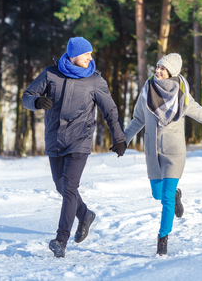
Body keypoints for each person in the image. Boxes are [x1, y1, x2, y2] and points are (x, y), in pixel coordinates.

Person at [124, 53, 202, 256]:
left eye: (162, 68)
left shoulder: (182, 95)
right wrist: (124, 140)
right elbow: (138, 119)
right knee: (158, 194)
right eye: (157, 67)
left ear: (172, 72)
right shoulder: (147, 90)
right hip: (152, 152)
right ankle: (176, 195)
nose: (157, 71)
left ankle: (162, 241)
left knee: (165, 199)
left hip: (174, 152)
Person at [22, 37, 127, 258]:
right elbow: (27, 96)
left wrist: (119, 138)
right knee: (61, 187)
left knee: (69, 187)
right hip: (54, 139)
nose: (90, 57)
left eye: (91, 54)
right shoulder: (51, 74)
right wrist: (37, 102)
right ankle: (85, 214)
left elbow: (110, 110)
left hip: (80, 140)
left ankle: (61, 239)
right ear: (73, 55)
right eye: (86, 54)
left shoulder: (94, 81)